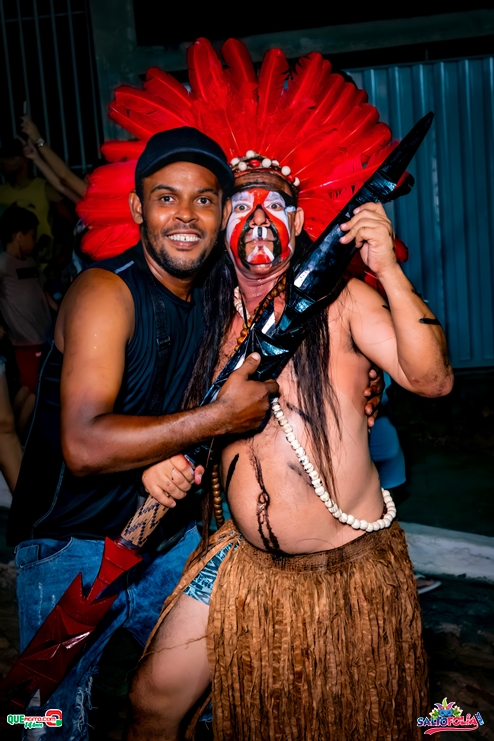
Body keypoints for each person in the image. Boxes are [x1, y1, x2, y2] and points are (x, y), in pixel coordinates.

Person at [107, 40, 455, 741]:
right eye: (241, 205)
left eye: (276, 207)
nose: (260, 219)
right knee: (152, 704)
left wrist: (387, 267)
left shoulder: (344, 302)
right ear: (219, 226)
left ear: (297, 225)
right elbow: (155, 417)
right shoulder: (200, 319)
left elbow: (432, 378)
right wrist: (154, 458)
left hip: (344, 576)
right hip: (240, 562)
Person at [6, 127, 291, 741]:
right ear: (138, 208)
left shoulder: (216, 298)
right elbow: (85, 446)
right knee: (42, 722)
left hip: (167, 542)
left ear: (222, 213)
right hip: (72, 555)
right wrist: (216, 420)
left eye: (204, 200)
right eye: (166, 198)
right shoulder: (104, 292)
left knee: (214, 704)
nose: (185, 215)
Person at [0, 206, 53, 393]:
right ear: (19, 236)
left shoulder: (31, 262)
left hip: (45, 338)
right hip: (23, 343)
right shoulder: (3, 265)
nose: (35, 241)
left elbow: (43, 292)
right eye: (32, 236)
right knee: (30, 390)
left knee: (38, 388)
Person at [0, 138, 64, 270]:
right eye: (3, 157)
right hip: (10, 267)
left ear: (25, 159)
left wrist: (60, 259)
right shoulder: (1, 192)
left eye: (10, 157)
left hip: (45, 267)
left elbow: (68, 224)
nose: (3, 161)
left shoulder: (45, 188)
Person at [20, 114, 87, 202]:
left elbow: (65, 175)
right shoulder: (89, 202)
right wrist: (36, 158)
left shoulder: (99, 196)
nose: (86, 178)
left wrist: (38, 140)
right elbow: (60, 186)